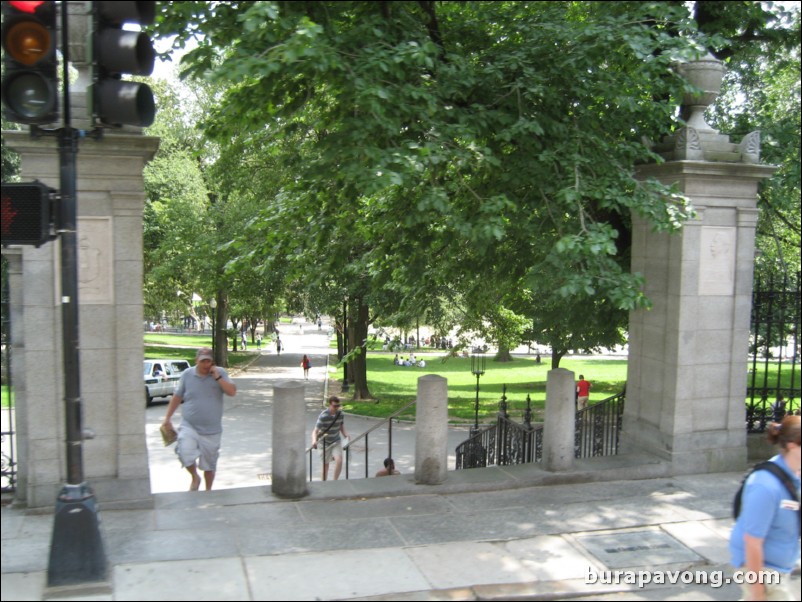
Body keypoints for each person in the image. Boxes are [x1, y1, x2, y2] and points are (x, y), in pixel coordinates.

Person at [729, 415, 800, 601]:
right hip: (763, 571)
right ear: (793, 445)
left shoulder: (792, 474)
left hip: (777, 568)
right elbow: (752, 542)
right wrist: (758, 593)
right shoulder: (765, 486)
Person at [162, 347, 237, 491]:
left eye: (208, 361)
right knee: (184, 451)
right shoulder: (187, 375)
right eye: (202, 361)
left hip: (212, 430)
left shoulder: (220, 373)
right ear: (197, 361)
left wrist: (217, 377)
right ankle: (195, 477)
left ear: (212, 362)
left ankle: (208, 491)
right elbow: (177, 396)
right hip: (189, 426)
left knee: (209, 465)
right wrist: (167, 418)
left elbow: (232, 392)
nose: (205, 364)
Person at [311, 396, 350, 481]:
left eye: (338, 406)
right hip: (324, 442)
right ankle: (324, 484)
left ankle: (334, 481)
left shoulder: (340, 414)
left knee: (339, 461)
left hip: (336, 441)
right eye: (334, 406)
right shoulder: (324, 416)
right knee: (325, 465)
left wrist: (346, 435)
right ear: (330, 405)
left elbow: (341, 427)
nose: (336, 408)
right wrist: (314, 441)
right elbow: (315, 431)